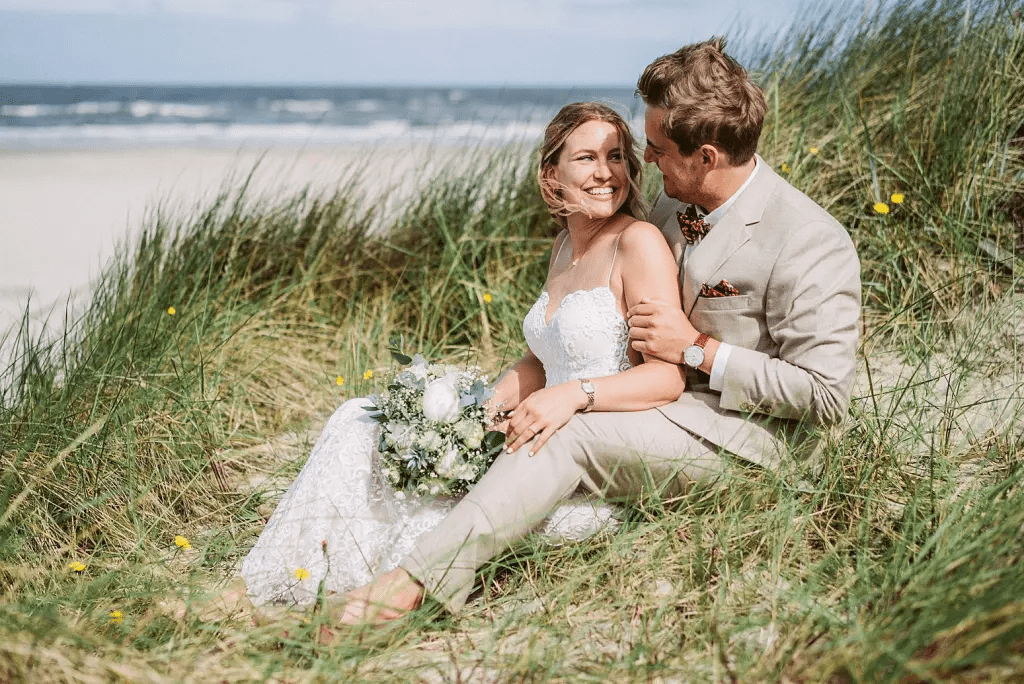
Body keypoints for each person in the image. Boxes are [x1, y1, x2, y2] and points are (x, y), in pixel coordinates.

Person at [334, 37, 861, 625]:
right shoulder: (667, 207)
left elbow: (826, 396)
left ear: (706, 156)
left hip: (745, 441)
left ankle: (413, 587)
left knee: (565, 434)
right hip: (651, 409)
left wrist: (699, 350)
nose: (648, 163)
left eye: (657, 150)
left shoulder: (810, 239)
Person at [235, 101, 687, 618]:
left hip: (584, 462)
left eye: (616, 157)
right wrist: (488, 403)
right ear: (551, 174)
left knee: (422, 510)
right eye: (586, 157)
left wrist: (573, 395)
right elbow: (545, 357)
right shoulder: (566, 244)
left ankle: (339, 597)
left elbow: (667, 377)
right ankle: (267, 581)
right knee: (357, 419)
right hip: (532, 434)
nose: (606, 172)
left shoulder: (638, 242)